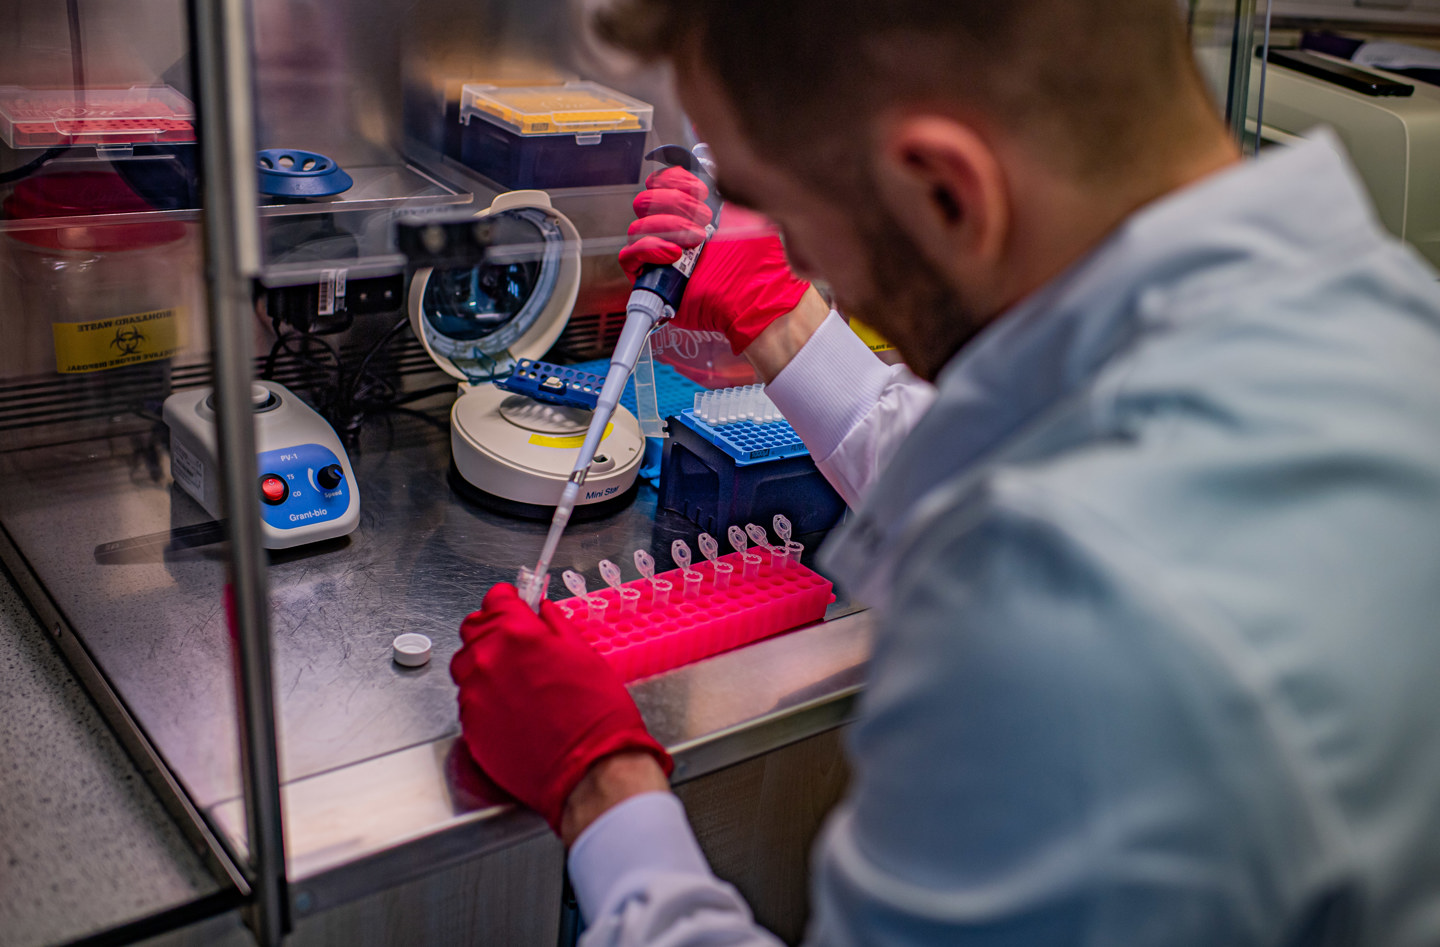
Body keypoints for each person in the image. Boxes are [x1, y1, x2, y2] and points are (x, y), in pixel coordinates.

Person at [450, 1, 1440, 943]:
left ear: (946, 190)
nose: (787, 243)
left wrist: (604, 791)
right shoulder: (1385, 324)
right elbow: (1045, 441)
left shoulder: (1071, 606)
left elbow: (1072, 515)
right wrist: (783, 317)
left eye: (784, 209)